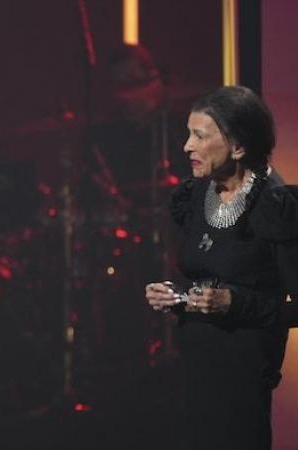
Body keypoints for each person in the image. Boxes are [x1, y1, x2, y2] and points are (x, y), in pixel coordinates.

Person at [145, 85, 298, 450]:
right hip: (196, 369)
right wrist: (174, 294)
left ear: (238, 146)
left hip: (242, 376)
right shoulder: (197, 194)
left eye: (199, 135)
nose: (186, 146)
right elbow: (203, 273)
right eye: (188, 133)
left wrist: (234, 304)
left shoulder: (275, 206)